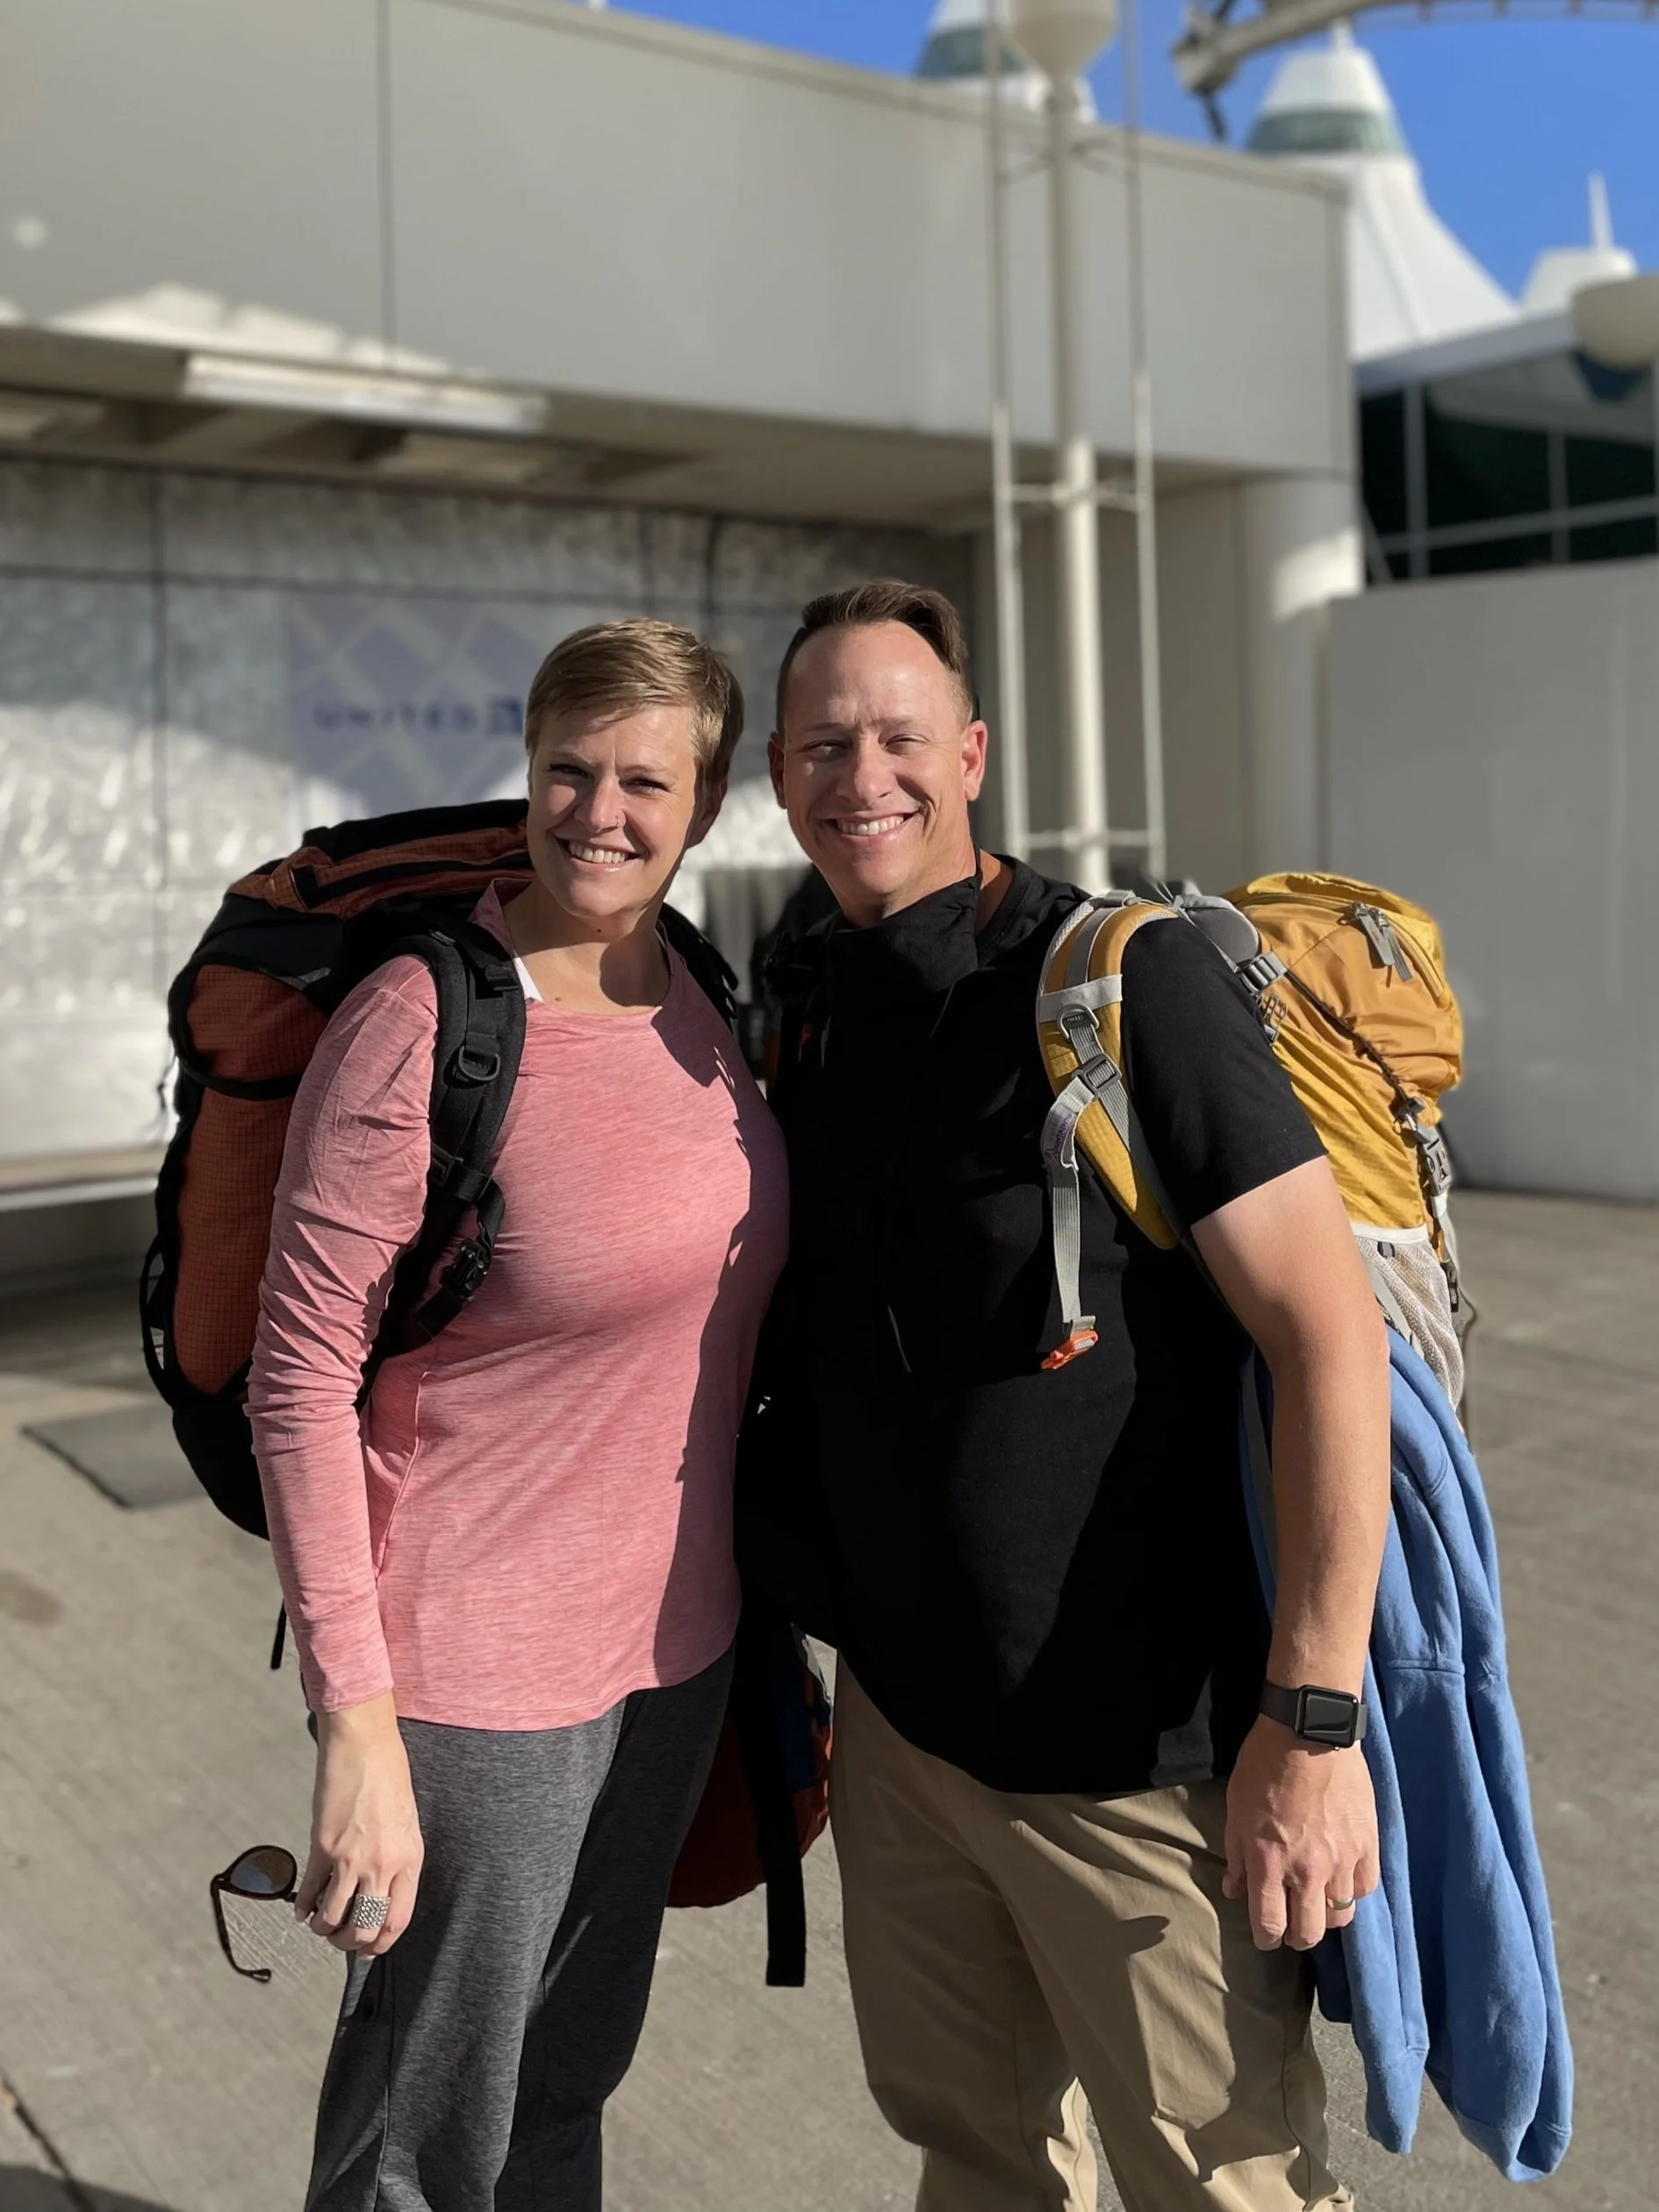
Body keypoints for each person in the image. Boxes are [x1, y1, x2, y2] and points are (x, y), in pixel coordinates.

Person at [750, 579, 1391, 2211]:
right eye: (824, 742)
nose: (862, 774)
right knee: (976, 2168)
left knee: (1222, 2190)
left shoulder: (1118, 982)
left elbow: (1330, 1339)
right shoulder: (805, 988)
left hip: (1137, 1764)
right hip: (905, 1737)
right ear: (775, 772)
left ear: (969, 753)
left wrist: (1308, 1724)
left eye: (899, 736)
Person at [247, 619, 788, 2212]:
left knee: (561, 2089)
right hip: (477, 1684)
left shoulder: (696, 988)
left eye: (644, 779)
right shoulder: (426, 1019)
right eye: (568, 769)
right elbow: (299, 1377)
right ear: (527, 769)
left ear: (703, 804)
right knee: (422, 2141)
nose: (599, 812)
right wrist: (355, 1727)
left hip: (673, 1661)